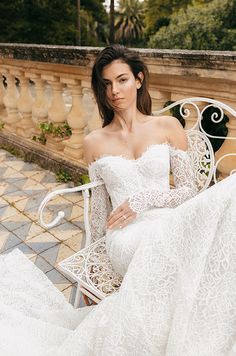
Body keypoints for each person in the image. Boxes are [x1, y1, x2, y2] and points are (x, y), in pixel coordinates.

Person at [0, 44, 235, 356]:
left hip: (166, 221)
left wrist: (143, 199)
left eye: (122, 80)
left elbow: (189, 192)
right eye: (107, 84)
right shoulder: (94, 142)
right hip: (125, 238)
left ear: (138, 80)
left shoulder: (167, 126)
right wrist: (90, 266)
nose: (114, 91)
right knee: (179, 254)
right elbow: (99, 211)